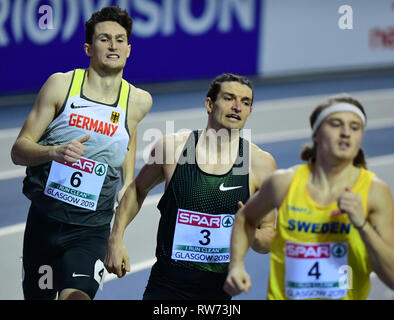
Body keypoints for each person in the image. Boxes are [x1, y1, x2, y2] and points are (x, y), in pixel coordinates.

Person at [10, 6, 152, 300]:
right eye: (104, 39)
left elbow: (125, 160)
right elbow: (19, 150)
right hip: (45, 222)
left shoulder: (138, 101)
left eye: (120, 39)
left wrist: (117, 238)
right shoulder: (61, 86)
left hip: (91, 230)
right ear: (88, 48)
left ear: (129, 49)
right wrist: (53, 152)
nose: (113, 45)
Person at [104, 73, 277, 299]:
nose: (237, 107)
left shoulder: (261, 164)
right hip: (166, 287)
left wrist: (250, 232)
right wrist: (115, 240)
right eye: (229, 98)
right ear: (209, 104)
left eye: (245, 102)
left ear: (250, 112)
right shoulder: (172, 149)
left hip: (218, 293)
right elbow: (137, 189)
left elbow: (268, 236)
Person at [224, 94, 394, 300]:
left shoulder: (374, 192)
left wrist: (363, 226)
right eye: (336, 124)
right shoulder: (284, 183)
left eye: (355, 127)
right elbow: (245, 218)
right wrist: (236, 266)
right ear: (316, 134)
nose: (346, 133)